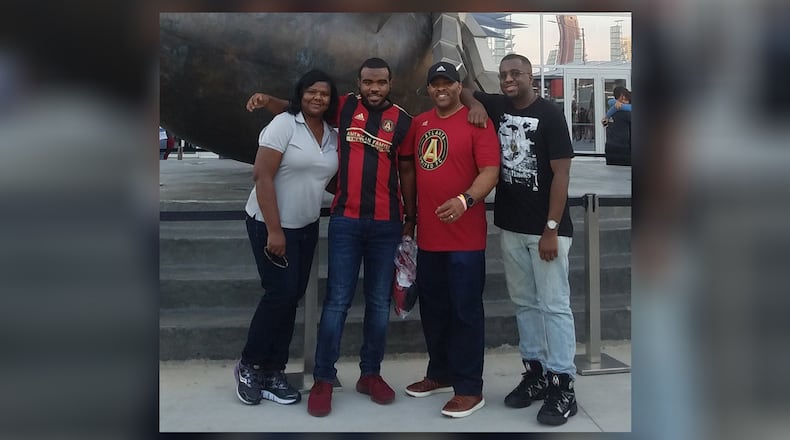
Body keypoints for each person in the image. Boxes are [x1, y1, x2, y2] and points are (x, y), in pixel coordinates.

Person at [246, 57, 417, 417]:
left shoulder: (403, 121)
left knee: (378, 304)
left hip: (386, 224)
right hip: (346, 222)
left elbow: (406, 171)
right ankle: (324, 378)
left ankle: (370, 374)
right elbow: (302, 104)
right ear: (358, 83)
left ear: (390, 83)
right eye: (368, 82)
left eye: (381, 82)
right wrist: (267, 100)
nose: (374, 88)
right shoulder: (345, 106)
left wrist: (411, 217)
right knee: (337, 301)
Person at [461, 53, 578, 426]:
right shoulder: (497, 104)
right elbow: (463, 92)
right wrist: (477, 104)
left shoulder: (550, 114)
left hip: (546, 231)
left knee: (555, 306)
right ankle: (537, 373)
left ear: (531, 76)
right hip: (511, 226)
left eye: (516, 74)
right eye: (503, 75)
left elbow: (562, 175)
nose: (509, 79)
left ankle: (563, 384)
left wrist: (551, 228)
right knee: (525, 304)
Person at [234, 69, 340, 406]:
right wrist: (275, 230)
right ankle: (249, 365)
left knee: (290, 297)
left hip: (306, 226)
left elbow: (331, 179)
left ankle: (274, 370)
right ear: (300, 94)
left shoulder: (331, 135)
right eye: (311, 91)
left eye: (324, 93)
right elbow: (262, 176)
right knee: (278, 294)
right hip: (270, 224)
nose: (317, 98)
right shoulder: (283, 124)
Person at [401, 62, 500, 418]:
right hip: (429, 239)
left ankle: (470, 387)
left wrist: (465, 200)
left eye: (448, 83)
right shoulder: (419, 123)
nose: (441, 88)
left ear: (460, 86)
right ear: (428, 89)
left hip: (466, 240)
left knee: (465, 313)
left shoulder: (477, 121)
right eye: (435, 84)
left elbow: (490, 170)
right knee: (435, 312)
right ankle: (439, 373)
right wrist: (410, 217)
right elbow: (409, 166)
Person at [603, 86, 632, 166]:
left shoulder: (611, 111)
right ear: (622, 96)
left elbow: (605, 123)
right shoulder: (626, 113)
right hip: (623, 148)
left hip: (610, 147)